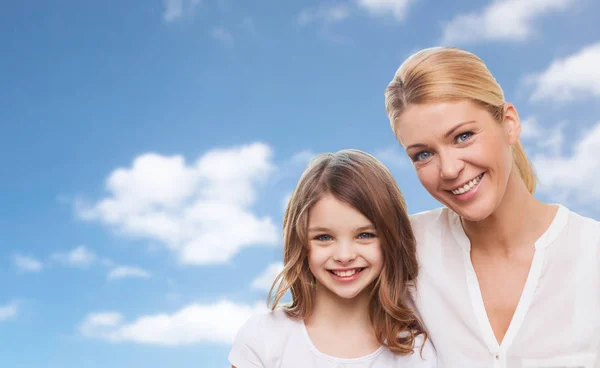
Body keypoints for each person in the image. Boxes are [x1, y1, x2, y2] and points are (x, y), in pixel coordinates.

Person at [384, 46, 600, 367]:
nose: (449, 169)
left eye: (463, 136)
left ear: (510, 123)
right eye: (423, 154)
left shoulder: (591, 254)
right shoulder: (403, 250)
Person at [228, 149, 437, 368]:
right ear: (300, 242)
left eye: (365, 235)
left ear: (390, 239)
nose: (344, 256)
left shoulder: (415, 351)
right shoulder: (263, 338)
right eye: (324, 237)